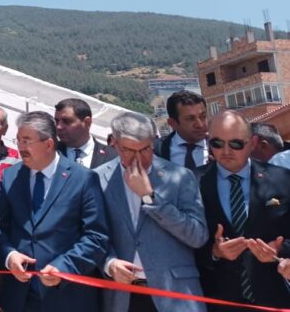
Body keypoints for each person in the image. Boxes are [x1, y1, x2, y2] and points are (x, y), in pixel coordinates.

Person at [0, 111, 108, 312]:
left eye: (27, 141)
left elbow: (96, 236)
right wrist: (9, 256)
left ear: (48, 144)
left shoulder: (83, 179)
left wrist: (64, 267)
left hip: (68, 295)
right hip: (19, 297)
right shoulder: (10, 177)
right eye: (18, 140)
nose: (20, 147)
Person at [96, 112, 207, 312]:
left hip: (175, 294)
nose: (139, 157)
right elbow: (93, 234)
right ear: (115, 144)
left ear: (154, 141)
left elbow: (197, 235)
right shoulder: (96, 179)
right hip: (123, 297)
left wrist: (149, 197)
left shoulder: (180, 176)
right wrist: (109, 263)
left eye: (145, 149)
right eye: (129, 150)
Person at [194, 110, 290, 310]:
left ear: (253, 143)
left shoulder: (282, 179)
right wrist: (214, 251)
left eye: (236, 144)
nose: (226, 151)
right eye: (217, 143)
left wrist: (280, 250)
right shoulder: (193, 183)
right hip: (219, 299)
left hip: (275, 296)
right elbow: (182, 241)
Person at [54, 98, 117, 169]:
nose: (59, 127)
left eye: (66, 121)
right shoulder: (49, 152)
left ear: (87, 122)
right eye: (57, 121)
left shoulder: (113, 158)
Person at [154, 91, 209, 170]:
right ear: (172, 123)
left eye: (203, 116)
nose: (200, 124)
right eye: (190, 119)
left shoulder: (219, 146)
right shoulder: (157, 150)